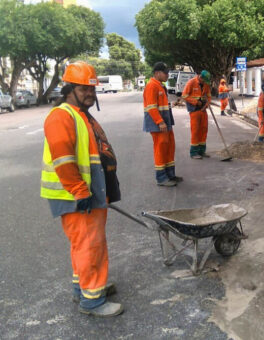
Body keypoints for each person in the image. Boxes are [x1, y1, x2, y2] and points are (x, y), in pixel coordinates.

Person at [40, 61, 123, 317]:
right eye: (84, 88)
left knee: (83, 245)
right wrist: (80, 191)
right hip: (77, 196)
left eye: (92, 89)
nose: (90, 93)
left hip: (85, 193)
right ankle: (93, 300)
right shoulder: (61, 116)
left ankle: (83, 288)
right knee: (90, 245)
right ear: (69, 89)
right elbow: (63, 160)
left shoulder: (79, 115)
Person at [143, 62, 182, 187]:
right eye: (165, 73)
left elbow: (162, 105)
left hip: (166, 123)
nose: (167, 75)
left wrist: (173, 105)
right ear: (157, 73)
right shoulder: (151, 86)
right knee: (160, 149)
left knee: (169, 148)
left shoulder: (160, 86)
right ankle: (161, 178)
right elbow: (151, 107)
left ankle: (170, 174)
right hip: (159, 125)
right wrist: (160, 122)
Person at [182, 70, 212, 159]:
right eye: (204, 80)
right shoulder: (191, 82)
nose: (205, 82)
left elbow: (209, 95)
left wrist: (207, 104)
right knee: (195, 131)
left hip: (203, 110)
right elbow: (184, 95)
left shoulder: (206, 84)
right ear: (200, 77)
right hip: (194, 110)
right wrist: (195, 102)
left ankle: (202, 151)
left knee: (204, 129)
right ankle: (194, 152)